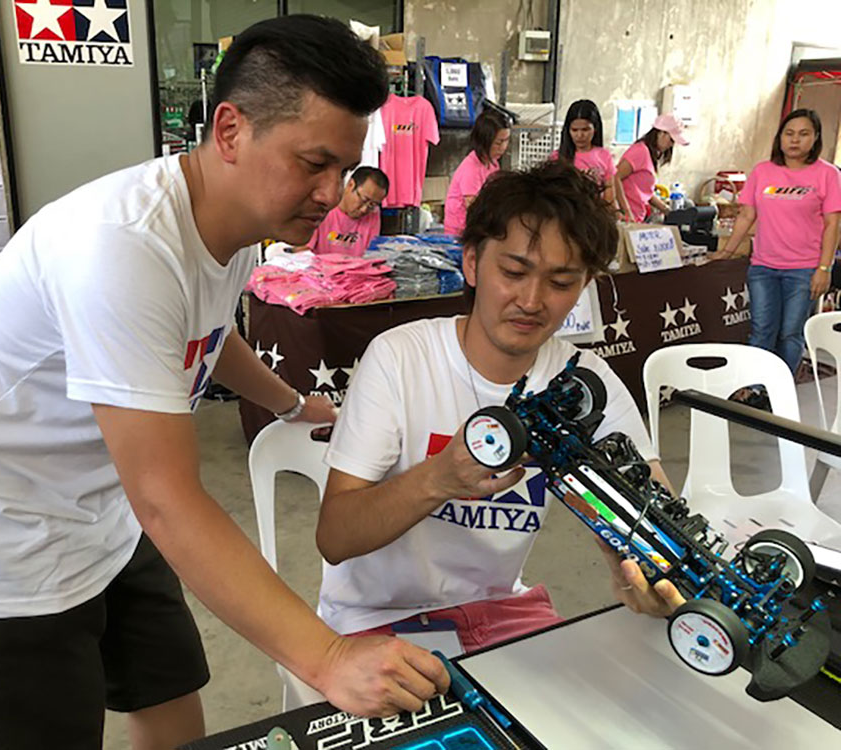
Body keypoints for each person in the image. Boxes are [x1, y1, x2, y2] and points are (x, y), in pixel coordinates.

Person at [0, 16, 449, 750]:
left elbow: (205, 336)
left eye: (344, 168)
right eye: (313, 163)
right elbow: (166, 499)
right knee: (52, 721)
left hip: (96, 490)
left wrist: (287, 402)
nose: (330, 193)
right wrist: (329, 658)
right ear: (230, 129)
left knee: (167, 678)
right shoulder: (122, 248)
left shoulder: (236, 222)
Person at [315, 161, 685, 652]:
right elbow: (335, 537)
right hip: (375, 618)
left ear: (584, 285)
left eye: (561, 282)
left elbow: (662, 517)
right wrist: (439, 478)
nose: (531, 301)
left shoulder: (585, 384)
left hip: (498, 613)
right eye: (513, 272)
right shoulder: (400, 359)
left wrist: (647, 566)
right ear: (471, 263)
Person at [712, 108, 841, 374]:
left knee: (790, 333)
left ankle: (781, 389)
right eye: (789, 133)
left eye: (803, 134)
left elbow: (833, 225)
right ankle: (757, 387)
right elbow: (746, 216)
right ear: (779, 137)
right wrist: (726, 251)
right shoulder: (763, 171)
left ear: (816, 138)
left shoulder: (828, 174)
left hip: (804, 269)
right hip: (763, 267)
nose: (795, 140)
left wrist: (824, 268)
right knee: (761, 331)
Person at [444, 107, 511, 237]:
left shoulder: (493, 163)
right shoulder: (471, 169)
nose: (503, 147)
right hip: (460, 232)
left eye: (507, 140)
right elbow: (474, 210)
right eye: (498, 143)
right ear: (484, 141)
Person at [616, 114, 688, 223]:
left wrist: (666, 210)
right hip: (626, 219)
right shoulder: (640, 151)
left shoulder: (649, 154)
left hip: (636, 217)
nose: (671, 145)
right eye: (671, 140)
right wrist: (626, 211)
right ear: (661, 133)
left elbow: (645, 192)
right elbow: (614, 177)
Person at [303, 166, 388, 256]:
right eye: (364, 200)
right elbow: (302, 252)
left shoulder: (373, 213)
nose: (364, 209)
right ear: (350, 185)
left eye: (372, 205)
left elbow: (371, 255)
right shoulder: (323, 207)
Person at [551, 99, 619, 211]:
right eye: (574, 130)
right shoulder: (557, 158)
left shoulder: (604, 156)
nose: (580, 135)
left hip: (595, 214)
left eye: (585, 129)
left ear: (595, 128)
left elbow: (610, 197)